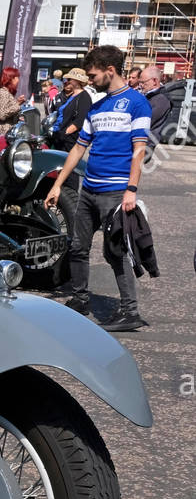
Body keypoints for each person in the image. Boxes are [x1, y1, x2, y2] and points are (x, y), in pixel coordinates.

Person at [44, 45, 152, 331]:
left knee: (115, 252)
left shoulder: (137, 103)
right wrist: (57, 184)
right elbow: (79, 149)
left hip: (116, 192)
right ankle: (80, 299)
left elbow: (139, 150)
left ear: (110, 70)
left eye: (92, 75)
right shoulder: (96, 105)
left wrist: (132, 189)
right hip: (89, 191)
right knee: (78, 247)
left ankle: (130, 312)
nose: (90, 80)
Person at [48, 67, 91, 150]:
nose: (67, 81)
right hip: (60, 136)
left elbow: (80, 120)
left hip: (68, 141)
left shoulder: (84, 97)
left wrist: (65, 133)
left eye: (69, 79)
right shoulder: (72, 95)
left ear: (77, 81)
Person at [139, 65, 173, 145]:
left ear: (154, 81)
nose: (140, 85)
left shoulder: (161, 99)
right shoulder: (151, 96)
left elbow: (146, 122)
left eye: (143, 82)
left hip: (145, 145)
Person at [0, 66, 27, 133]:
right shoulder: (3, 93)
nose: (18, 80)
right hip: (5, 132)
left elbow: (8, 110)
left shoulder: (7, 92)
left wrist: (17, 118)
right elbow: (2, 115)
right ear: (11, 79)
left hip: (9, 131)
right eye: (17, 77)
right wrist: (18, 104)